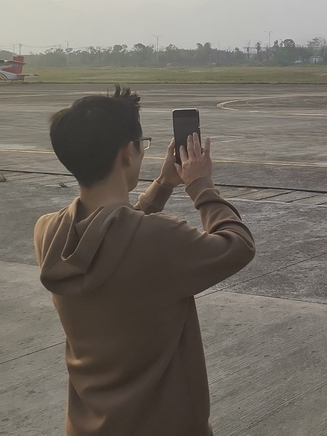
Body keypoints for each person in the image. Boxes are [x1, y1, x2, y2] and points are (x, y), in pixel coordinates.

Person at [34, 85, 256, 436]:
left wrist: (163, 186)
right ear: (128, 153)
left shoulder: (48, 232)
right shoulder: (159, 239)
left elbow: (112, 235)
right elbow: (238, 245)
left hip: (85, 425)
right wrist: (200, 185)